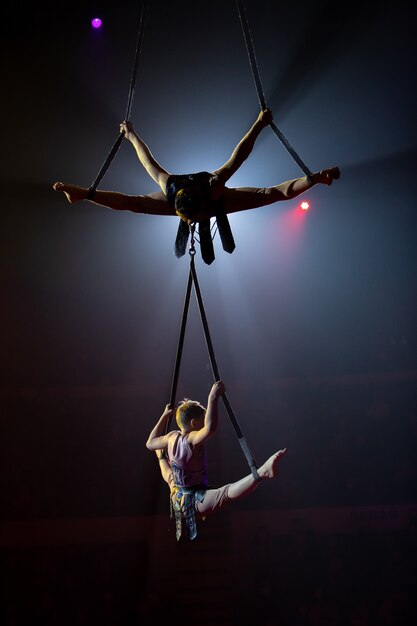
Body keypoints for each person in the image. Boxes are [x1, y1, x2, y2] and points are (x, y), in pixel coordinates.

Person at [53, 108, 340, 226]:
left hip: (202, 198)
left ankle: (84, 195)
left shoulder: (209, 187)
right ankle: (83, 195)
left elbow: (240, 158)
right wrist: (129, 135)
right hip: (197, 199)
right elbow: (146, 163)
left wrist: (260, 125)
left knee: (269, 195)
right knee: (270, 195)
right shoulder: (178, 189)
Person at [146, 380, 287, 540]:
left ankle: (161, 456)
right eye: (202, 419)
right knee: (225, 493)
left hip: (177, 493)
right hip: (192, 501)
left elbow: (150, 442)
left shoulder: (171, 437)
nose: (204, 421)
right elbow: (210, 429)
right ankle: (261, 473)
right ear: (193, 423)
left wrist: (164, 416)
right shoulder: (191, 438)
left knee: (168, 473)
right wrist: (212, 397)